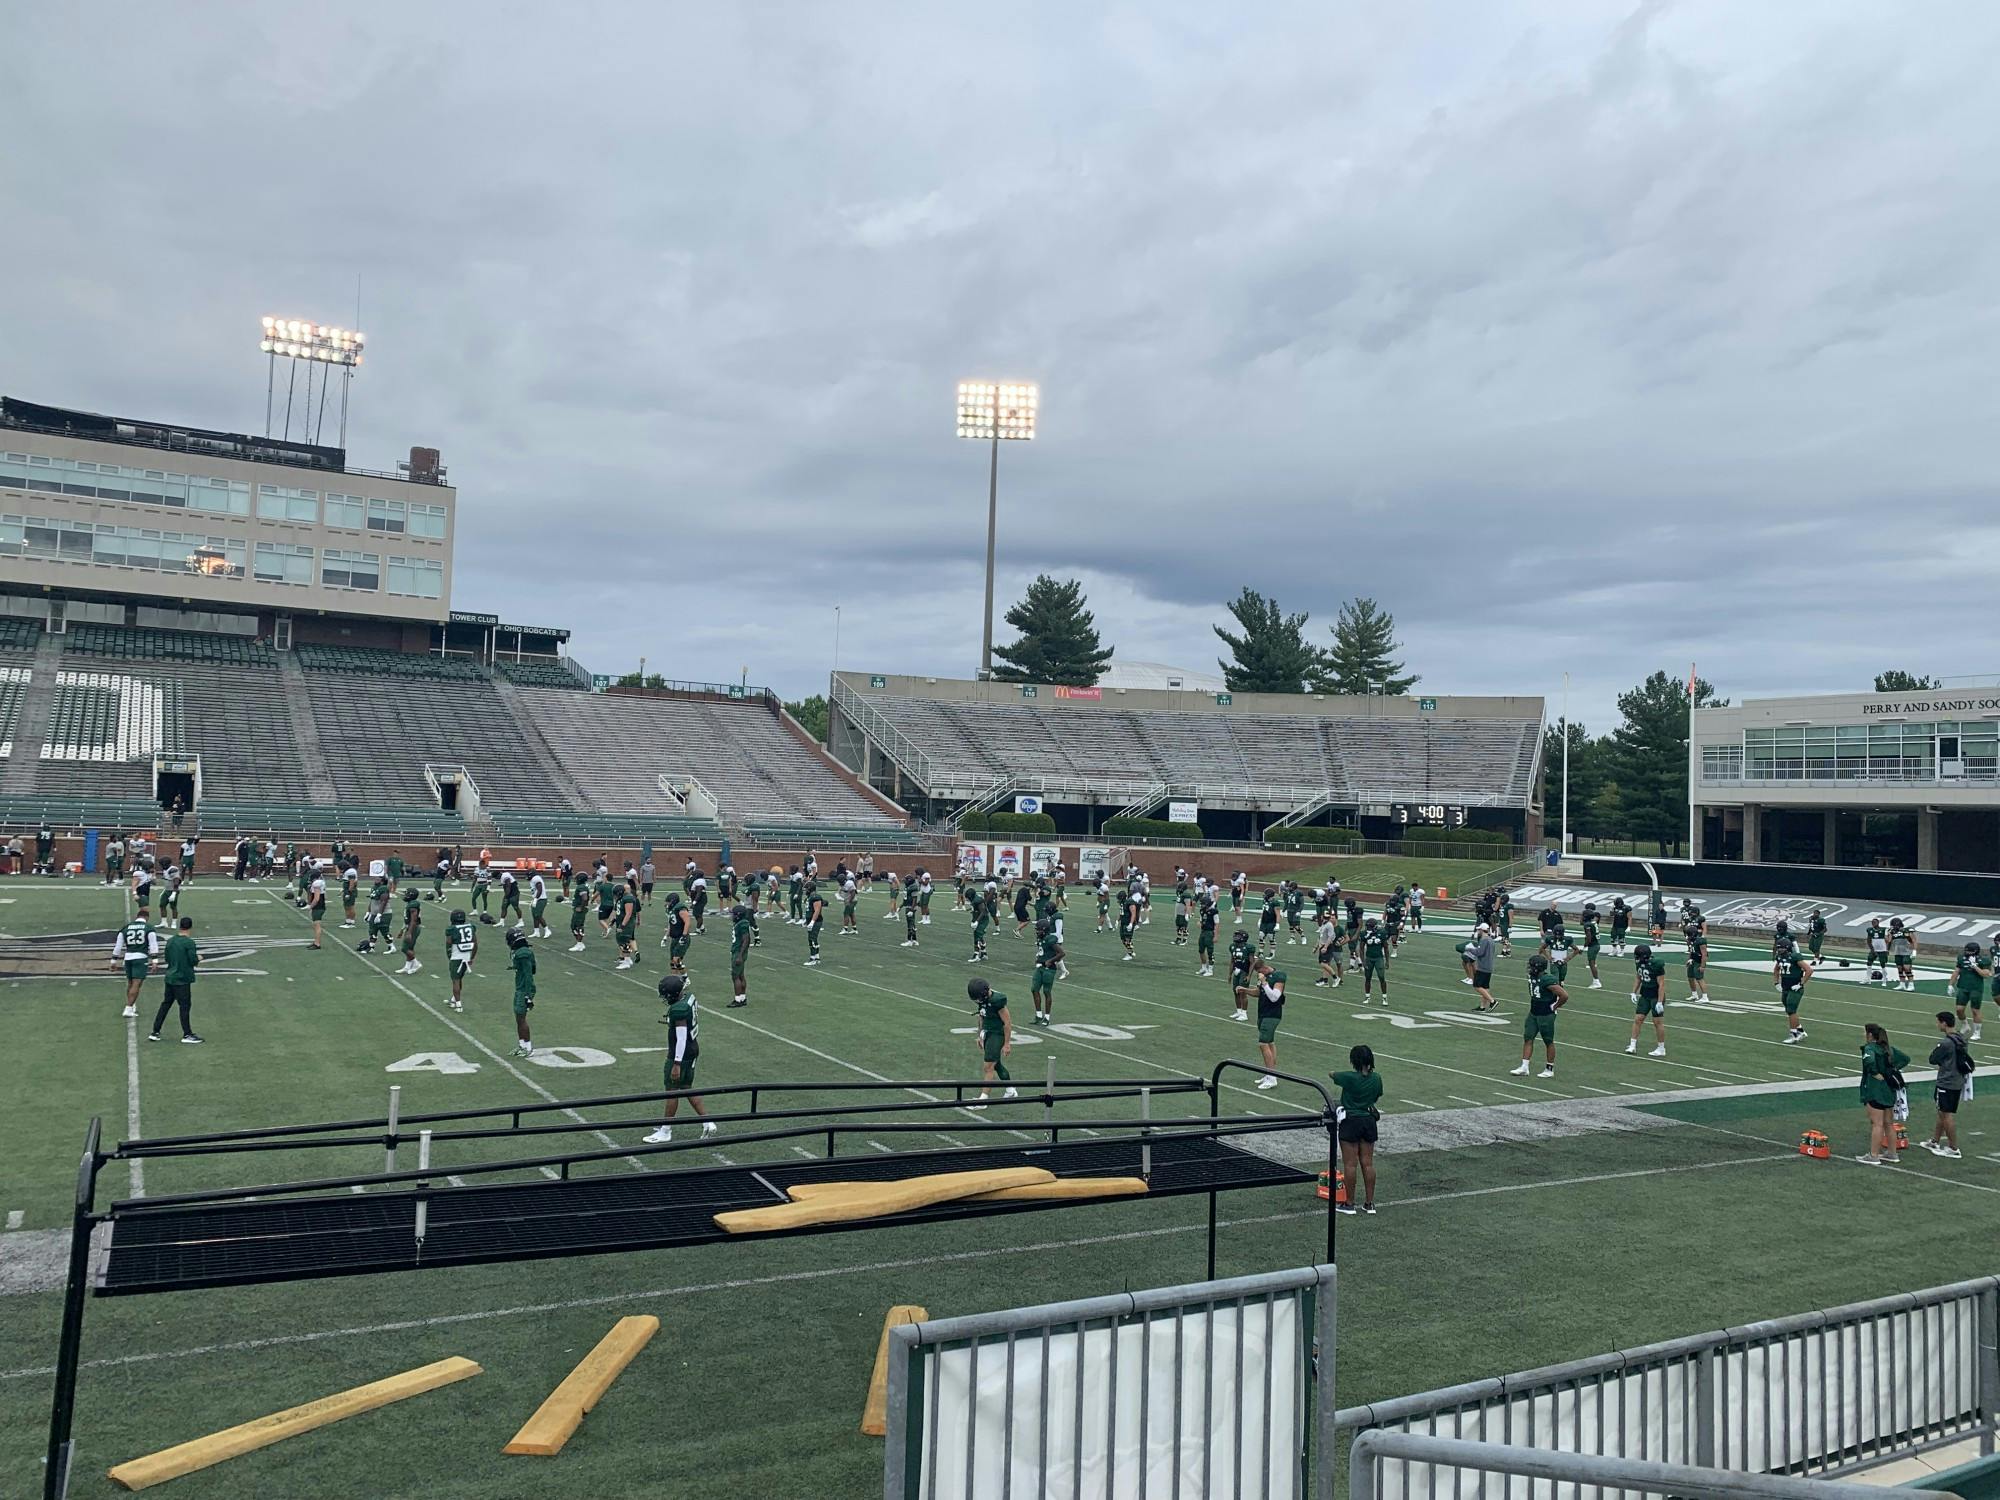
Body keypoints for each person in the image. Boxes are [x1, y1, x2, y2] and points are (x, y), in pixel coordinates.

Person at [645, 975, 716, 1142]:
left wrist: (676, 1063)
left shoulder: (679, 1010)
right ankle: (708, 1122)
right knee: (686, 1087)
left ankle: (665, 1131)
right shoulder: (688, 997)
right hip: (692, 1048)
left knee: (671, 1091)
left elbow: (681, 1037)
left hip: (681, 1054)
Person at [1329, 1045, 1382, 1216]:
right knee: (1368, 1163)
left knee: (1350, 1164)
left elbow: (1332, 1074)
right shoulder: (1377, 1078)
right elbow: (1376, 1096)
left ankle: (1349, 1203)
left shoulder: (1349, 1077)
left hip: (1351, 1121)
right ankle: (1369, 1203)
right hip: (1368, 1121)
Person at [1856, 1022, 1909, 1165]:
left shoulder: (1870, 1048)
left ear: (1870, 1035)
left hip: (1875, 1090)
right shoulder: (1888, 1048)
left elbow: (1869, 1061)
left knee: (1877, 1124)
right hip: (1889, 1089)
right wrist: (1891, 1070)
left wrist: (1875, 1073)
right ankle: (1892, 1153)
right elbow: (1905, 1059)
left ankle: (1873, 1155)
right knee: (1888, 1123)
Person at [1923, 1012, 1973, 1160]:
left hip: (1946, 1081)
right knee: (1943, 1112)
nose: (1937, 1025)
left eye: (1938, 1022)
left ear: (1944, 1023)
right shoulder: (1961, 1038)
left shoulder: (1946, 1043)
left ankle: (1953, 1148)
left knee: (1946, 1115)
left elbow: (1933, 1059)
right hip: (1957, 1080)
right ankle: (1935, 1141)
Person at [148, 916, 202, 1044]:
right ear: (190, 927)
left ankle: (155, 1031)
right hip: (182, 979)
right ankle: (187, 1033)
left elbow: (167, 958)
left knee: (166, 1004)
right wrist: (199, 958)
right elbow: (193, 960)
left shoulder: (171, 941)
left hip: (170, 977)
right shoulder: (189, 943)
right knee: (184, 1006)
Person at [1512, 953, 1566, 1078]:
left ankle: (1549, 1069)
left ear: (1537, 968)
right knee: (1528, 1037)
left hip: (1546, 1014)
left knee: (1548, 1041)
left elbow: (1564, 995)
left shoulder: (1547, 980)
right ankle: (1524, 1067)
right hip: (1533, 1012)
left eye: (1531, 966)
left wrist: (1555, 1006)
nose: (1529, 968)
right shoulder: (1533, 976)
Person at [112, 908, 160, 1019]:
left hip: (128, 958)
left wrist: (113, 961)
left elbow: (118, 945)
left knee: (130, 983)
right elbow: (153, 945)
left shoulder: (126, 928)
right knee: (136, 984)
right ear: (146, 917)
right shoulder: (148, 928)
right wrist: (155, 960)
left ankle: (131, 1005)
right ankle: (129, 1008)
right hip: (140, 958)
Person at [1627, 942, 1667, 1056]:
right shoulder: (1640, 963)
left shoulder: (1656, 964)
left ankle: (1661, 1048)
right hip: (1645, 994)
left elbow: (1661, 984)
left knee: (1657, 1022)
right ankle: (1632, 1045)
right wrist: (1633, 992)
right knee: (1638, 1019)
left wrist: (1660, 1001)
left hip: (1655, 995)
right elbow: (1638, 978)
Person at [1254, 964, 1286, 1089]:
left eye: (1259, 971)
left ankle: (1272, 1078)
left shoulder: (1278, 976)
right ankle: (1270, 1073)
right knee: (1270, 1043)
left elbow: (1274, 997)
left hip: (1272, 1015)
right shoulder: (1265, 978)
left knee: (1263, 1044)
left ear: (1264, 968)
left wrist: (1264, 982)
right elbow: (1259, 993)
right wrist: (1244, 990)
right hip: (1263, 1013)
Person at [1776, 937, 1813, 1044]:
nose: (1779, 950)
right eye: (1778, 948)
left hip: (1795, 988)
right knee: (1789, 1010)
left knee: (1791, 1010)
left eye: (1781, 948)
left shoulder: (1795, 957)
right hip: (1785, 987)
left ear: (1787, 947)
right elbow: (1776, 969)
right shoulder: (1779, 957)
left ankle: (1794, 1035)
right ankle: (1800, 1031)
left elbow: (1809, 970)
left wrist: (1801, 984)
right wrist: (1776, 983)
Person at [508, 926, 537, 1058]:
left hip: (524, 989)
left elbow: (529, 974)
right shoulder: (522, 952)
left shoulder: (523, 954)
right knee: (518, 1018)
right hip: (520, 987)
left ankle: (528, 1047)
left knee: (521, 1018)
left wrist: (528, 995)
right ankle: (522, 1045)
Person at [1030, 920, 1062, 1025]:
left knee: (1046, 992)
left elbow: (1061, 953)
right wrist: (1038, 958)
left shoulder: (1050, 939)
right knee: (1034, 989)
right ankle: (1038, 1015)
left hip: (1049, 969)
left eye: (1038, 930)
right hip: (1040, 967)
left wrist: (1050, 960)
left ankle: (1047, 1017)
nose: (1037, 931)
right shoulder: (1041, 938)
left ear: (1044, 930)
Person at [1459, 926, 1497, 1012]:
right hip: (1489, 966)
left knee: (1477, 986)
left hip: (1483, 966)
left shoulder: (1484, 940)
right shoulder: (1491, 940)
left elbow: (1479, 953)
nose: (1478, 931)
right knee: (1485, 987)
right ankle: (1482, 1007)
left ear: (1482, 930)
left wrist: (1469, 949)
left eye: (1479, 930)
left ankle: (1492, 1001)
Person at [445, 909, 477, 1011]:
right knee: (459, 979)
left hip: (456, 957)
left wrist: (449, 956)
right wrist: (472, 957)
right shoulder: (470, 927)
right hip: (466, 956)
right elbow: (475, 944)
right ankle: (454, 999)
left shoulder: (452, 929)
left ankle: (458, 1005)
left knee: (455, 980)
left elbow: (448, 943)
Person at [1360, 916, 1391, 1004]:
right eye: (1367, 927)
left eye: (1370, 927)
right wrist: (1363, 961)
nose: (1368, 929)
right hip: (1369, 958)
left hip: (1379, 958)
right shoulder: (1364, 934)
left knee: (1381, 977)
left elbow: (1386, 948)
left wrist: (1387, 961)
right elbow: (1361, 948)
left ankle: (1384, 997)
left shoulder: (1381, 933)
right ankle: (1367, 997)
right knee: (1367, 978)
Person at [613, 880, 642, 970]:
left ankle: (626, 961)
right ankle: (627, 959)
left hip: (627, 923)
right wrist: (614, 920)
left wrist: (622, 925)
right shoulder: (621, 898)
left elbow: (628, 913)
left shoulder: (628, 899)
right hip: (621, 921)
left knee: (624, 940)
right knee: (620, 939)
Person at [728, 902, 753, 1006]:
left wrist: (740, 955)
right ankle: (742, 998)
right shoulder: (741, 923)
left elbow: (746, 939)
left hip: (738, 952)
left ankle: (738, 1000)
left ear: (738, 915)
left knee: (735, 976)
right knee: (740, 975)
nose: (732, 916)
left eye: (734, 914)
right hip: (738, 951)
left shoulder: (743, 924)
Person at [397, 888, 424, 974]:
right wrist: (402, 930)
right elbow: (407, 920)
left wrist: (409, 932)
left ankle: (416, 964)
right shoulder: (410, 904)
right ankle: (407, 966)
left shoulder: (413, 905)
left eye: (407, 893)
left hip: (413, 928)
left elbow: (413, 920)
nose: (405, 895)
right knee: (410, 948)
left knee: (404, 948)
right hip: (410, 927)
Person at [1684, 925, 1709, 1004]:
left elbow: (1704, 954)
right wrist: (1689, 959)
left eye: (1688, 934)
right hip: (1693, 960)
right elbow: (1691, 950)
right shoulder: (1690, 940)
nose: (1687, 936)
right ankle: (1694, 995)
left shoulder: (1700, 941)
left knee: (1699, 978)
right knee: (1690, 977)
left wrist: (1702, 966)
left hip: (1699, 962)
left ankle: (1705, 997)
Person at [1195, 894, 1218, 978]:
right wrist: (1199, 922)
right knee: (1201, 950)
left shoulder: (1214, 911)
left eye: (1203, 903)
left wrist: (1215, 936)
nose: (1201, 905)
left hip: (1210, 932)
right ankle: (1204, 967)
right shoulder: (1202, 911)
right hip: (1203, 932)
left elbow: (1217, 924)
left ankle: (1210, 970)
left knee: (1210, 951)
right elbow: (1201, 920)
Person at [804, 881, 826, 966]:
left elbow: (817, 910)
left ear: (810, 889)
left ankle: (812, 958)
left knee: (812, 939)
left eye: (806, 889)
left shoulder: (815, 897)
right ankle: (817, 957)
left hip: (816, 921)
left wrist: (812, 922)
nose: (805, 890)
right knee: (813, 939)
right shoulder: (810, 897)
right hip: (811, 920)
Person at [306, 864, 327, 948]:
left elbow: (317, 898)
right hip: (320, 906)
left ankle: (317, 943)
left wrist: (311, 906)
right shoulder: (320, 882)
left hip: (318, 906)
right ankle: (316, 942)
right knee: (315, 925)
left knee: (317, 926)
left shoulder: (316, 883)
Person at [528, 868, 550, 938]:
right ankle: (536, 932)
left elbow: (539, 889)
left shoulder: (536, 878)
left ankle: (547, 930)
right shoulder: (534, 879)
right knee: (535, 916)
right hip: (538, 899)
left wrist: (535, 899)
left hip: (541, 899)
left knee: (538, 915)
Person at [340, 864, 359, 929]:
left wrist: (348, 892)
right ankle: (348, 921)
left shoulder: (350, 872)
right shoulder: (350, 871)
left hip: (350, 892)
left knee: (350, 906)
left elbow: (352, 883)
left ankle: (351, 922)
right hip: (347, 891)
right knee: (346, 906)